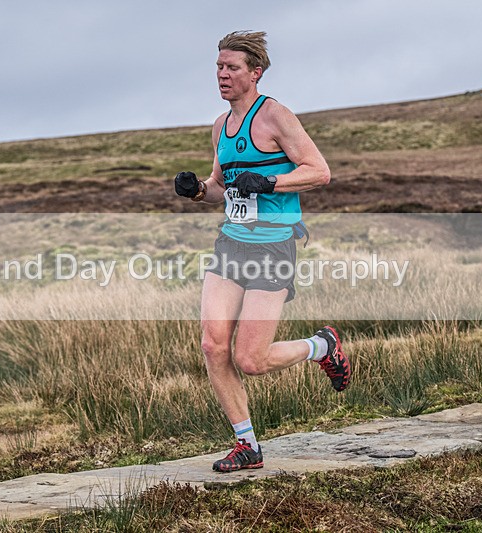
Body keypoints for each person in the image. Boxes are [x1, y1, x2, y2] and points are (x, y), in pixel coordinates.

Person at [174, 32, 350, 472]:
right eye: (218, 66)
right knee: (213, 346)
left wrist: (270, 183)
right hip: (232, 243)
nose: (222, 74)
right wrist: (197, 190)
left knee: (251, 360)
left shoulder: (275, 116)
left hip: (273, 245)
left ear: (255, 72)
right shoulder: (220, 126)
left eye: (231, 67)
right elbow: (220, 187)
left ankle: (321, 346)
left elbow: (319, 171)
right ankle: (246, 444)